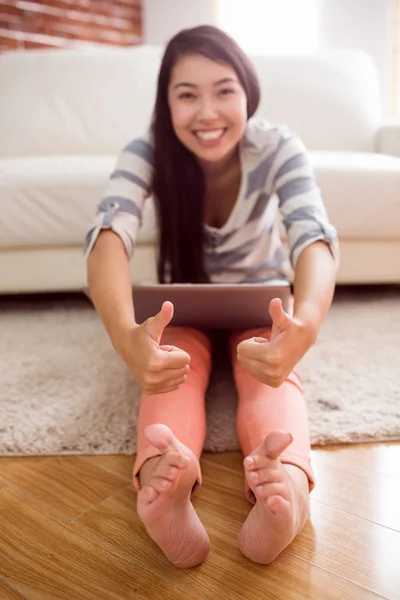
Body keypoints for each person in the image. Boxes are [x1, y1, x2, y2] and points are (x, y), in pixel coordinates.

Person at [84, 25, 339, 569]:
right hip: (186, 307)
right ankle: (163, 480)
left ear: (248, 91)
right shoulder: (148, 151)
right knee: (170, 365)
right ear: (166, 102)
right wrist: (126, 338)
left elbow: (313, 235)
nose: (208, 113)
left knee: (272, 376)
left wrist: (306, 326)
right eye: (187, 94)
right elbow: (109, 235)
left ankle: (286, 485)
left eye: (224, 90)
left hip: (261, 305)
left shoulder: (277, 147)